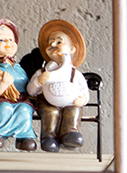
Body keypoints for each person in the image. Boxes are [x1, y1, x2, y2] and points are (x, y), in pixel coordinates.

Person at [27, 20, 89, 152]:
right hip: (47, 102)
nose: (53, 45)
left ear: (71, 49)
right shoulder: (43, 72)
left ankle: (69, 134)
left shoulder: (74, 73)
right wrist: (38, 82)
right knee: (51, 112)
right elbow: (31, 91)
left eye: (59, 42)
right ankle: (48, 137)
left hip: (70, 102)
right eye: (50, 43)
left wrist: (83, 99)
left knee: (73, 111)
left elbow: (84, 90)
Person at [0, 19, 37, 151]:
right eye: (1, 40)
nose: (8, 44)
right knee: (4, 108)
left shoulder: (18, 67)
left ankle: (24, 137)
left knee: (25, 110)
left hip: (21, 99)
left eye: (11, 40)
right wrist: (3, 84)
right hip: (2, 99)